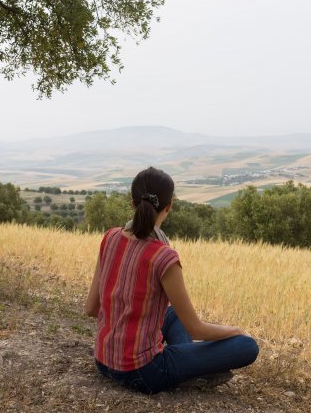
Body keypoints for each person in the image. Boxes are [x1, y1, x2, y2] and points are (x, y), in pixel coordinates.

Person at [85, 167, 259, 394]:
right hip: (143, 373)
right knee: (248, 346)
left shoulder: (110, 237)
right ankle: (189, 370)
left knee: (173, 314)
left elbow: (90, 309)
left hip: (103, 361)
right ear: (169, 206)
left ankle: (189, 366)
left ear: (132, 203)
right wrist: (236, 330)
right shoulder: (163, 256)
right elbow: (196, 330)